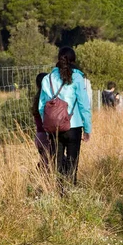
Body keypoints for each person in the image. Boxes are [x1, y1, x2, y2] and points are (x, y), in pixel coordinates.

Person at [39, 46, 91, 185]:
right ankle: (71, 187)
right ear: (73, 60)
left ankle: (60, 189)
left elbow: (41, 106)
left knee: (58, 160)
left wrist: (47, 124)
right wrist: (87, 128)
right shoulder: (77, 78)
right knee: (73, 160)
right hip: (73, 125)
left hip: (53, 127)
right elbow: (84, 105)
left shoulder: (47, 79)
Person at [32, 72, 50, 170]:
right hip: (46, 135)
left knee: (45, 162)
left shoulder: (37, 98)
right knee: (48, 165)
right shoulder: (47, 99)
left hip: (39, 135)